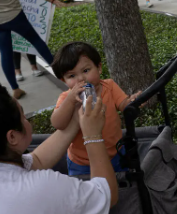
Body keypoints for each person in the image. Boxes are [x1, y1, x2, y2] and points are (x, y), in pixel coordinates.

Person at [0, 77, 118, 214]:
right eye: (23, 116)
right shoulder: (40, 188)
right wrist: (92, 135)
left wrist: (77, 122)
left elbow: (36, 160)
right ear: (12, 137)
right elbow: (107, 195)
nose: (27, 120)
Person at [50, 42, 142, 176]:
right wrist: (70, 101)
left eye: (86, 71)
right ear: (64, 80)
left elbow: (125, 106)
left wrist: (134, 102)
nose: (81, 78)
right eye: (72, 76)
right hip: (82, 163)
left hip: (116, 153)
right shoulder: (66, 98)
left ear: (98, 68)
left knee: (123, 185)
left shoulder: (109, 87)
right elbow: (58, 123)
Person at [4, 0, 44, 81]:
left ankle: (34, 67)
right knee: (15, 43)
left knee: (29, 41)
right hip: (10, 15)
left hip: (28, 14)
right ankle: (18, 71)